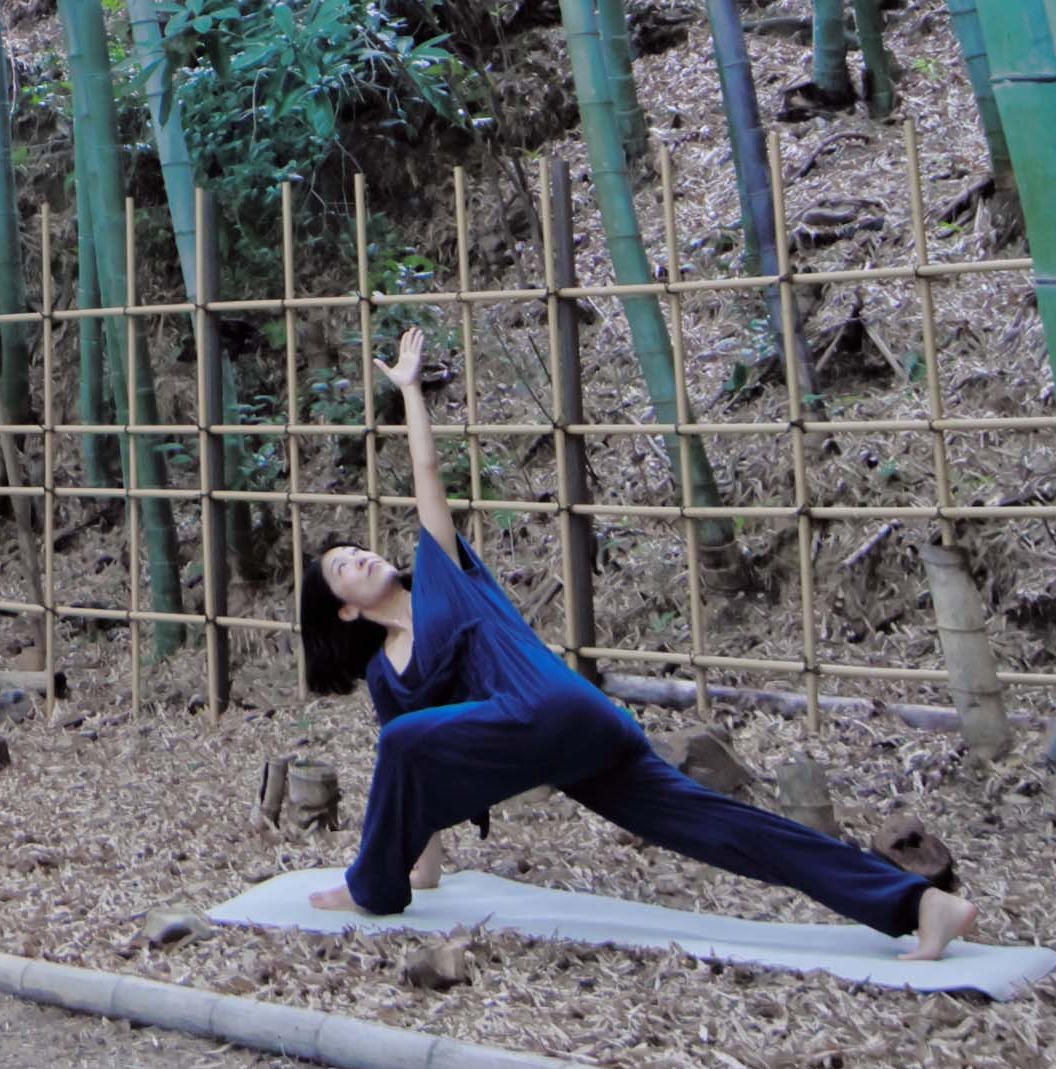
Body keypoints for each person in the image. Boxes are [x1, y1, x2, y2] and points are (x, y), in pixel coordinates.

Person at [300, 329, 971, 955]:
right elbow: (413, 784)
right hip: (557, 755)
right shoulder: (390, 682)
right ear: (345, 614)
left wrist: (412, 392)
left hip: (561, 713)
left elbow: (426, 480)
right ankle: (914, 905)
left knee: (400, 741)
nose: (358, 556)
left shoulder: (446, 583)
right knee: (721, 830)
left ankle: (368, 888)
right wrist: (421, 872)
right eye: (342, 567)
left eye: (356, 548)